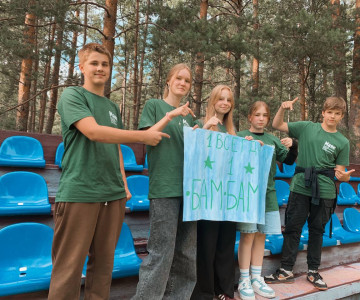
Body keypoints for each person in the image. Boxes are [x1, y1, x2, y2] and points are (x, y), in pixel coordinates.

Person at [48, 43, 169, 300]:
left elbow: (115, 148)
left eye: (105, 64)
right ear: (82, 67)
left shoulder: (113, 108)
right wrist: (142, 137)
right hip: (80, 192)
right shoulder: (73, 95)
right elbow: (93, 132)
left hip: (112, 196)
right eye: (94, 63)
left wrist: (123, 185)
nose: (100, 68)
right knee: (68, 268)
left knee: (103, 268)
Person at [264, 96, 355, 290]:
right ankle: (285, 270)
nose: (332, 116)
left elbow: (340, 171)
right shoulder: (307, 127)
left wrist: (344, 178)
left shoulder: (342, 141)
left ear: (341, 116)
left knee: (317, 231)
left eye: (337, 113)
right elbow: (277, 124)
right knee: (292, 228)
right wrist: (282, 106)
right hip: (300, 186)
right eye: (329, 112)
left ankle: (313, 271)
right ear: (323, 112)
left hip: (325, 190)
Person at [133, 63, 198, 300]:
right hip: (164, 187)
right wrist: (171, 114)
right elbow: (147, 138)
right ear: (168, 81)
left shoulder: (190, 118)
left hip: (190, 192)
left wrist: (205, 131)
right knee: (161, 252)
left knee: (187, 253)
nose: (183, 83)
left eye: (187, 80)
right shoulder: (155, 105)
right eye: (178, 78)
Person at [236, 101, 298, 300]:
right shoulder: (240, 136)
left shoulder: (272, 139)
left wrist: (293, 145)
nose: (261, 118)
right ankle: (243, 279)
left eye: (265, 115)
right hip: (247, 194)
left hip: (268, 194)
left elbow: (288, 160)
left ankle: (256, 277)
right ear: (250, 117)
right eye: (257, 115)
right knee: (248, 235)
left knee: (261, 236)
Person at [191, 85, 237, 300]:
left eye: (228, 100)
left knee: (226, 245)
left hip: (228, 197)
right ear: (213, 101)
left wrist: (246, 145)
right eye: (221, 99)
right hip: (207, 197)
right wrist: (204, 130)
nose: (225, 103)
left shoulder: (232, 130)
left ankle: (225, 290)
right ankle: (205, 293)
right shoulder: (201, 124)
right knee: (207, 246)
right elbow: (192, 153)